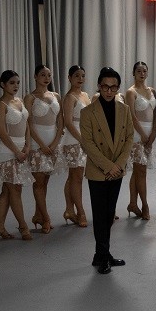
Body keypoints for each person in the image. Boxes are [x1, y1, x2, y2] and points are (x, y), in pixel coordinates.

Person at [80, 67, 134, 274]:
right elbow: (88, 144)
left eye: (113, 87)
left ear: (118, 88)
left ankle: (101, 254)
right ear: (99, 86)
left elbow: (129, 138)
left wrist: (118, 165)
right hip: (99, 171)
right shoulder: (87, 112)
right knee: (100, 214)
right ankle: (103, 256)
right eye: (105, 87)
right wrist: (109, 166)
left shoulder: (124, 110)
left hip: (116, 170)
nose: (109, 91)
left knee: (109, 214)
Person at [0, 70, 33, 241]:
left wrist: (27, 145)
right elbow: (2, 132)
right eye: (12, 83)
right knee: (14, 189)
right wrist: (16, 151)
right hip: (7, 152)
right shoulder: (1, 105)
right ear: (3, 85)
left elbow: (26, 125)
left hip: (21, 150)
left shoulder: (19, 101)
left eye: (17, 83)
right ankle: (23, 226)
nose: (16, 86)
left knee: (8, 190)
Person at [25, 64, 63, 234]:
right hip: (37, 144)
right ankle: (46, 218)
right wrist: (41, 145)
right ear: (35, 76)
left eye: (49, 75)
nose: (46, 78)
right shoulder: (30, 98)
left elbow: (60, 120)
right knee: (39, 182)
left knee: (45, 182)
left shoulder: (56, 96)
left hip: (53, 143)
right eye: (42, 75)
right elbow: (28, 124)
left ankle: (38, 215)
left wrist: (55, 143)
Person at [125, 61, 156, 220]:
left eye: (144, 71)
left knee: (138, 170)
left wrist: (154, 132)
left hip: (149, 133)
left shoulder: (152, 90)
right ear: (134, 73)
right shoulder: (131, 92)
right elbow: (131, 115)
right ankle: (145, 205)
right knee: (141, 171)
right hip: (137, 135)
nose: (142, 74)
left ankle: (132, 203)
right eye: (139, 71)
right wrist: (143, 134)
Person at [60, 65, 91, 227]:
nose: (80, 79)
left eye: (83, 75)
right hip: (73, 140)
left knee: (73, 177)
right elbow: (68, 123)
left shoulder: (85, 95)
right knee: (76, 177)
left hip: (84, 137)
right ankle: (81, 211)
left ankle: (69, 209)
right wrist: (82, 140)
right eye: (77, 76)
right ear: (70, 78)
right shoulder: (70, 97)